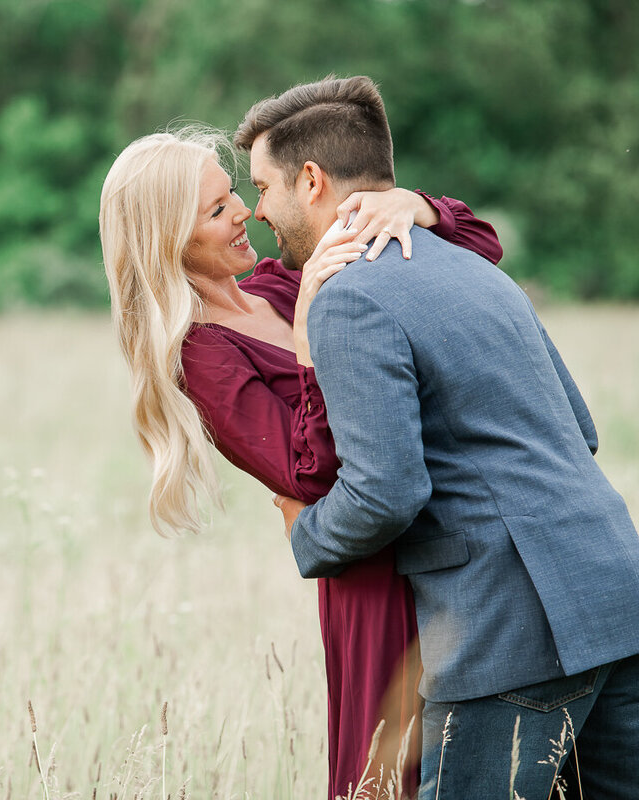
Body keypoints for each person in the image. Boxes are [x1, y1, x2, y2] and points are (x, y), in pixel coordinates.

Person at [242, 76, 639, 798]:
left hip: (507, 631)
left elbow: (387, 491)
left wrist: (308, 531)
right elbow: (579, 430)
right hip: (616, 597)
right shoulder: (477, 270)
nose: (258, 208)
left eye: (264, 187)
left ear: (312, 180)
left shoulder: (348, 299)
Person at [98, 126, 503, 798]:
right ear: (169, 240)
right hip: (373, 573)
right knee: (395, 772)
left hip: (457, 552)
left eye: (236, 193)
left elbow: (481, 249)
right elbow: (309, 473)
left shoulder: (282, 281)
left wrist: (414, 206)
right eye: (218, 209)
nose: (247, 213)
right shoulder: (202, 355)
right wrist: (311, 329)